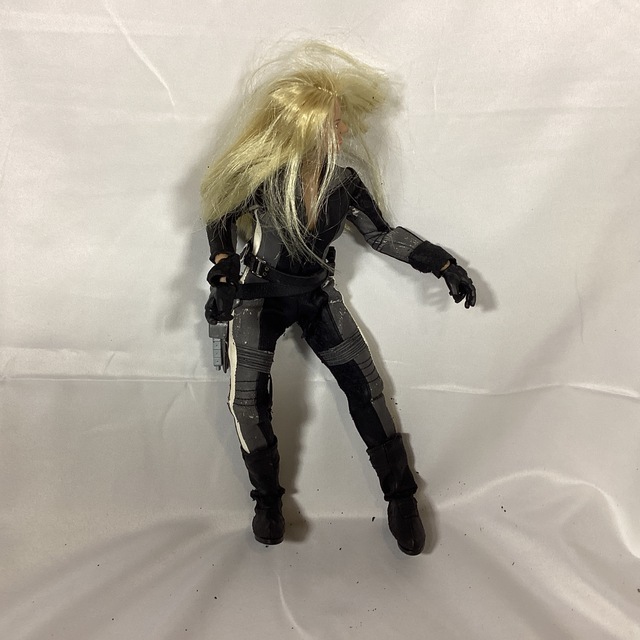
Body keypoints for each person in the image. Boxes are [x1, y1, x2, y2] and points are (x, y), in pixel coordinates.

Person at [201, 42, 476, 555]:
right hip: (259, 298)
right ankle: (267, 501)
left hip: (316, 295)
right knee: (247, 400)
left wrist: (440, 263)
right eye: (334, 122)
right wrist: (222, 268)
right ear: (306, 127)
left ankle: (402, 498)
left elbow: (382, 234)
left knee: (365, 386)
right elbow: (219, 213)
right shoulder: (263, 178)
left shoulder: (343, 183)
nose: (344, 129)